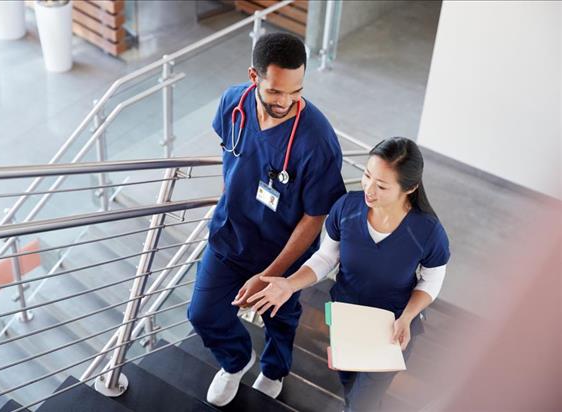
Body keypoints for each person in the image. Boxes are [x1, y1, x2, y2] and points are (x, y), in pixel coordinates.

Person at [187, 32, 346, 406]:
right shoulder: (233, 103)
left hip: (283, 253)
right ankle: (237, 360)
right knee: (202, 313)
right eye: (275, 92)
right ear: (254, 76)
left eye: (296, 91)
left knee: (281, 318)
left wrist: (272, 274)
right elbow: (230, 153)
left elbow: (315, 216)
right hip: (229, 236)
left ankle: (274, 369)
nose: (286, 102)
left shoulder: (317, 140)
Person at [248, 137, 451, 411]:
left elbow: (432, 279)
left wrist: (408, 317)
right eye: (367, 175)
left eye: (381, 185)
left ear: (410, 188)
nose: (369, 188)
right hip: (346, 318)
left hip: (392, 328)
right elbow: (326, 257)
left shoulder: (428, 232)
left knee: (362, 402)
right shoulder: (346, 208)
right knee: (348, 382)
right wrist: (289, 284)